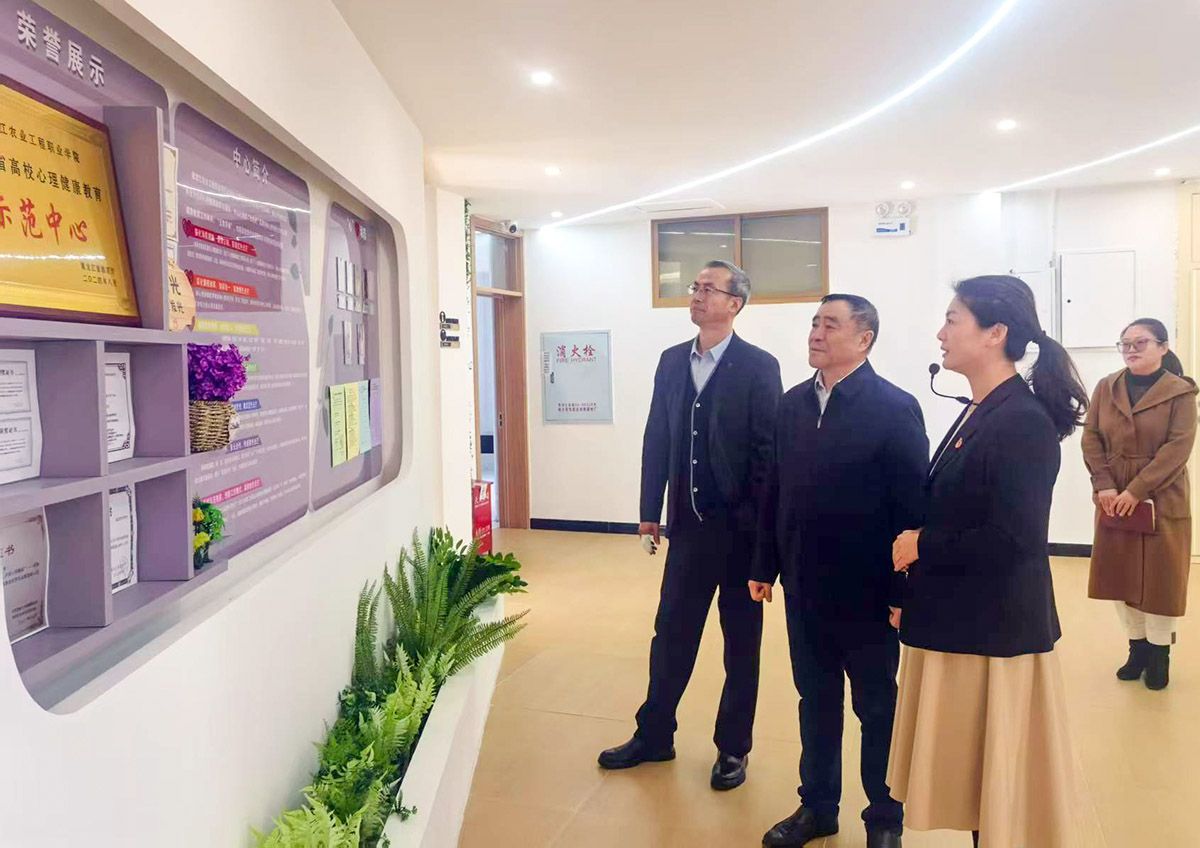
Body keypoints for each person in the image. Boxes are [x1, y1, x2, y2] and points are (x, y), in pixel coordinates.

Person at [889, 275, 1088, 848]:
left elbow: (1013, 539)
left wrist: (923, 545)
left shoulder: (1019, 421)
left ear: (995, 333)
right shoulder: (984, 408)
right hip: (966, 622)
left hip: (995, 635)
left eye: (953, 320)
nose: (941, 333)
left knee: (998, 793)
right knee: (978, 785)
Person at [751, 294, 928, 848]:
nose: (816, 333)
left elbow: (911, 510)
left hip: (868, 590)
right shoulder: (792, 405)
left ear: (864, 338)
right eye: (814, 323)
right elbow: (774, 489)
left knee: (876, 706)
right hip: (804, 585)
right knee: (816, 700)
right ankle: (818, 807)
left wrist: (903, 590)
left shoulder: (894, 407)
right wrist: (764, 564)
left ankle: (884, 818)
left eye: (831, 324)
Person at [598, 260, 782, 791]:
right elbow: (657, 434)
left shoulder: (759, 366)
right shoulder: (672, 360)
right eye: (695, 287)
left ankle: (733, 748)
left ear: (734, 304)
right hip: (689, 530)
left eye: (708, 289)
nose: (697, 295)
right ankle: (655, 734)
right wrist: (648, 511)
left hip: (741, 535)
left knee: (740, 645)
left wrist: (761, 535)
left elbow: (768, 454)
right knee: (671, 635)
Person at [1082, 318, 1197, 690]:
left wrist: (1136, 490)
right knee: (1121, 575)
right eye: (1125, 343)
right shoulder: (1107, 387)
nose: (1131, 349)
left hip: (1162, 496)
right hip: (1112, 496)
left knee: (1161, 580)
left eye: (1140, 342)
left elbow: (1178, 448)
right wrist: (1104, 485)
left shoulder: (1181, 392)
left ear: (1163, 347)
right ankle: (1137, 648)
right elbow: (1091, 438)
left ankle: (1160, 654)